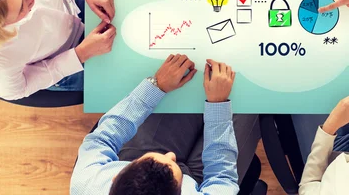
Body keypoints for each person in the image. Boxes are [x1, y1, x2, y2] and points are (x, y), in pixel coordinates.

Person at [70, 55, 260, 195]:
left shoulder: (87, 183)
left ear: (115, 178)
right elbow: (222, 178)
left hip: (136, 157)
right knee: (249, 95)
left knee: (186, 84)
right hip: (204, 184)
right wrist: (218, 105)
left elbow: (103, 137)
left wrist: (156, 86)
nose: (171, 155)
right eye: (172, 160)